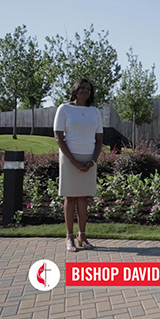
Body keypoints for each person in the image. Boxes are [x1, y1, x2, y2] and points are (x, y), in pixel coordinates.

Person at [53, 79, 104, 252]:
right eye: (82, 88)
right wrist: (73, 161)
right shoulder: (64, 109)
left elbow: (99, 140)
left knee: (83, 198)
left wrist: (93, 161)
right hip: (69, 158)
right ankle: (69, 237)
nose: (85, 91)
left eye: (88, 89)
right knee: (70, 197)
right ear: (75, 90)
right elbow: (59, 136)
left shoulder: (95, 112)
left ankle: (82, 235)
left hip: (89, 159)